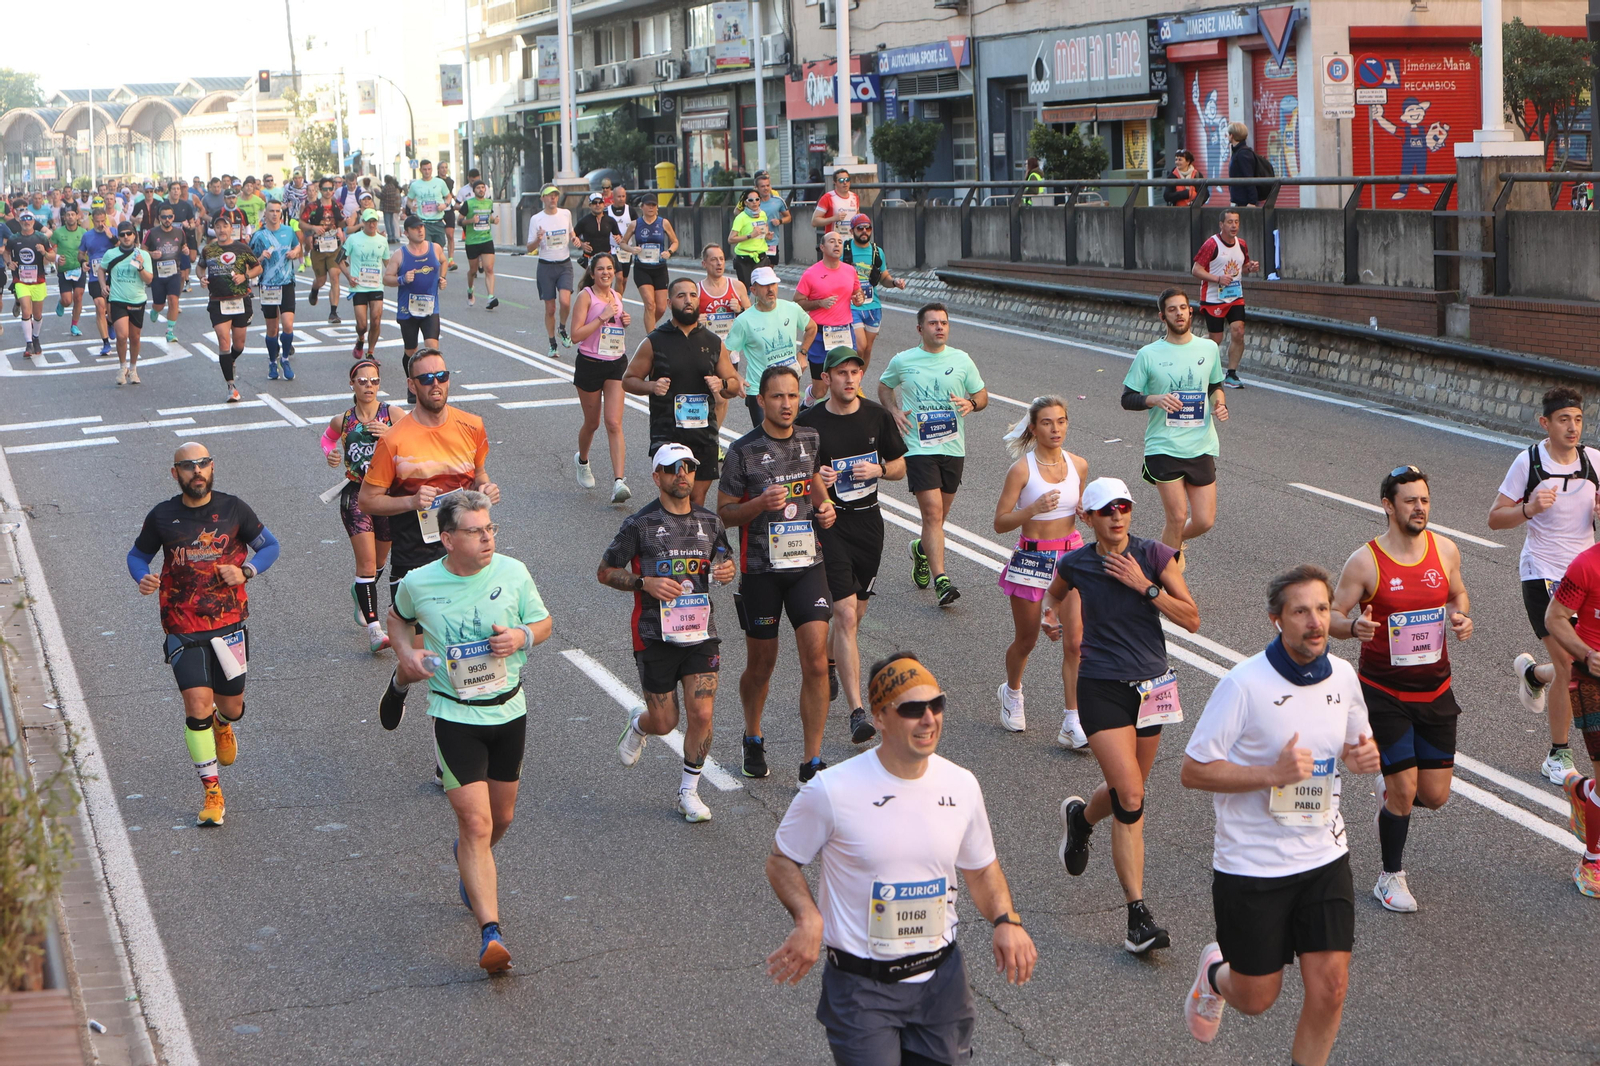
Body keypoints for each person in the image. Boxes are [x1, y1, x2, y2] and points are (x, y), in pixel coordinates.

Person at [765, 651, 1037, 1065]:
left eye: (936, 705)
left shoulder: (961, 785)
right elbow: (782, 860)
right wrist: (808, 916)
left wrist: (1006, 920)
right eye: (913, 709)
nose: (929, 719)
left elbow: (981, 869)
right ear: (880, 717)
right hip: (861, 988)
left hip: (941, 983)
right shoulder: (832, 791)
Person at [1180, 566, 1380, 1062]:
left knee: (1332, 987)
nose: (1315, 622)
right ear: (1276, 620)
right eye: (1300, 612)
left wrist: (1361, 756)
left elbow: (1357, 742)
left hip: (1324, 853)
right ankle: (1214, 974)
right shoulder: (1244, 685)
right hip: (1253, 864)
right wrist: (1271, 773)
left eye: (1321, 609)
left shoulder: (1345, 676)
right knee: (1256, 997)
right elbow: (1193, 770)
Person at [385, 490, 552, 971]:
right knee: (476, 824)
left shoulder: (514, 573)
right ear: (448, 538)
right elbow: (398, 621)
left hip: (508, 709)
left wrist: (522, 636)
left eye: (491, 529)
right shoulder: (418, 582)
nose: (487, 539)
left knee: (501, 819)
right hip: (453, 713)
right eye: (476, 531)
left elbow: (544, 624)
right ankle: (491, 935)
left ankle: (469, 859)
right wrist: (406, 655)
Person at [1047, 476, 1199, 955]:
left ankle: (1081, 819)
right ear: (1087, 518)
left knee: (1126, 791)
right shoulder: (1075, 562)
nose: (1117, 515)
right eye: (1106, 509)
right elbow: (1055, 593)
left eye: (1124, 507)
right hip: (1101, 687)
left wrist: (1145, 587)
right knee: (1131, 795)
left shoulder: (1156, 556)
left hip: (1153, 686)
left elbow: (1192, 618)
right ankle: (1137, 917)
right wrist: (1053, 618)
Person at [1328, 464, 1470, 913]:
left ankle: (1392, 795)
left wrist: (1461, 617)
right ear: (1388, 506)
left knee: (1435, 796)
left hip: (1435, 690)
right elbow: (1332, 613)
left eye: (1424, 499)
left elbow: (1457, 595)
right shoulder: (1366, 560)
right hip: (1383, 692)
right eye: (1410, 500)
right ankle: (1390, 877)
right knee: (1405, 792)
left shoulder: (1445, 550)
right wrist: (1353, 627)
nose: (1420, 508)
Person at [127, 444, 282, 827]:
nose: (197, 471)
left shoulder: (234, 509)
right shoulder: (162, 516)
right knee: (196, 705)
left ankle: (224, 723)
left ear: (212, 468)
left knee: (231, 706)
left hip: (228, 623)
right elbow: (136, 555)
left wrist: (247, 571)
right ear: (175, 473)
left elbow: (270, 547)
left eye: (203, 464)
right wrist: (141, 576)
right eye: (188, 466)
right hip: (182, 626)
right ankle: (212, 791)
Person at [362, 348, 500, 730]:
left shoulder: (472, 425)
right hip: (415, 559)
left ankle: (449, 758)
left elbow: (479, 475)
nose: (435, 384)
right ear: (411, 385)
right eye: (425, 379)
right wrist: (409, 499)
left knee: (459, 652)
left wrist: (485, 488)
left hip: (465, 555)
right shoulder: (394, 440)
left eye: (441, 376)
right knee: (422, 659)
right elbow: (367, 500)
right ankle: (400, 682)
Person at [601, 443, 738, 823]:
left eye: (689, 467)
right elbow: (605, 571)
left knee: (702, 712)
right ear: (656, 477)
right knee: (665, 723)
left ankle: (688, 792)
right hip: (654, 635)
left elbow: (723, 561)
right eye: (672, 468)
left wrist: (726, 570)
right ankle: (639, 723)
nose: (682, 474)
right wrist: (644, 583)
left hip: (700, 634)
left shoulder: (710, 522)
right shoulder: (638, 525)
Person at [718, 365, 838, 784]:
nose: (787, 404)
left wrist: (825, 507)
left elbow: (811, 482)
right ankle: (752, 734)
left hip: (808, 565)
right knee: (761, 665)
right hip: (761, 571)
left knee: (817, 663)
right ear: (762, 400)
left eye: (792, 396)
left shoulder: (810, 438)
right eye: (777, 397)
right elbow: (725, 513)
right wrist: (758, 505)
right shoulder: (742, 451)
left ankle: (812, 761)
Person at [797, 347, 907, 743]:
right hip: (828, 523)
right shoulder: (809, 423)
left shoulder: (877, 416)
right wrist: (818, 481)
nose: (848, 379)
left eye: (855, 372)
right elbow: (800, 472)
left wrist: (880, 468)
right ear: (826, 378)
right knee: (843, 615)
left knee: (856, 614)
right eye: (841, 372)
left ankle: (829, 660)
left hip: (868, 524)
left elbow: (900, 464)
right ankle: (857, 712)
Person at [1492, 387, 1600, 785]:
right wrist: (1528, 508)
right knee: (1572, 663)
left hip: (1586, 577)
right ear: (1545, 424)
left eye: (1578, 419)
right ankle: (1558, 755)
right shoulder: (1529, 463)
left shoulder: (1594, 461)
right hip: (1542, 573)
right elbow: (1494, 518)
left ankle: (1534, 676)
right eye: (1563, 420)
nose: (1572, 427)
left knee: (1583, 664)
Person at [876, 304, 988, 607]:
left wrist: (971, 404)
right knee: (933, 514)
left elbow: (981, 394)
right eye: (933, 323)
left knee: (939, 517)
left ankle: (921, 550)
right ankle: (942, 581)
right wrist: (895, 411)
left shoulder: (961, 360)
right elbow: (884, 387)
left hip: (952, 447)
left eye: (944, 323)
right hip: (919, 447)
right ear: (920, 329)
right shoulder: (904, 360)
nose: (940, 327)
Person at [993, 396, 1089, 746]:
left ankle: (1072, 722)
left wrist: (1085, 513)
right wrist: (1031, 509)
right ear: (1033, 428)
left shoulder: (1078, 465)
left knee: (1075, 643)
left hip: (1072, 559)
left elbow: (1080, 509)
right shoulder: (1022, 469)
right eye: (1047, 422)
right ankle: (1012, 691)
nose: (1056, 429)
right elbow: (1000, 523)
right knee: (1028, 639)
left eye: (1061, 421)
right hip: (1033, 561)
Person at [1123, 287, 1229, 560]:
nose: (1179, 313)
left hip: (1201, 444)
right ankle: (1168, 576)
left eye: (1183, 308)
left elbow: (1215, 384)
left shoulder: (1208, 348)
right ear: (1162, 316)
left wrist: (1219, 403)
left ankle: (1162, 551)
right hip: (1164, 446)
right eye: (1172, 309)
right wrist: (1155, 399)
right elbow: (1127, 398)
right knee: (1178, 516)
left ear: (1190, 311)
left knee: (1204, 520)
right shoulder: (1148, 354)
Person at [622, 278, 741, 508]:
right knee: (675, 495)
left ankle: (693, 542)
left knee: (697, 499)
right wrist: (651, 386)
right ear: (669, 303)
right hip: (668, 432)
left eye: (693, 295)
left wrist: (723, 385)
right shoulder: (655, 341)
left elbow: (735, 385)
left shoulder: (713, 342)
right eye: (681, 296)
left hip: (703, 434)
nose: (688, 300)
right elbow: (628, 380)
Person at [322, 359, 398, 653]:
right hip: (356, 494)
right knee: (366, 564)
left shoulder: (392, 414)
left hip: (389, 495)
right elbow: (327, 441)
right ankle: (375, 630)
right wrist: (330, 455)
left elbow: (417, 440)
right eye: (363, 381)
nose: (369, 386)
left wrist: (390, 435)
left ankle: (360, 591)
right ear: (352, 385)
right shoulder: (342, 420)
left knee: (380, 562)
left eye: (374, 381)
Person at [1540, 539, 1600, 896]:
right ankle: (1591, 861)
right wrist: (1586, 654)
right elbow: (1554, 617)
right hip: (1594, 679)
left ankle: (1581, 790)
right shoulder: (1586, 565)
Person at [569, 253, 634, 504]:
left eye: (609, 268)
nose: (606, 272)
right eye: (600, 269)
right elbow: (576, 335)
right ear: (592, 272)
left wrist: (623, 321)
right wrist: (601, 317)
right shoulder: (586, 296)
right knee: (593, 423)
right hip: (589, 364)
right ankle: (582, 460)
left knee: (614, 423)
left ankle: (619, 482)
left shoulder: (616, 296)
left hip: (616, 363)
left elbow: (614, 328)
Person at [727, 265, 816, 428]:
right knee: (766, 442)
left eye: (773, 284)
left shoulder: (791, 309)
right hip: (760, 391)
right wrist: (735, 376)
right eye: (764, 286)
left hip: (789, 386)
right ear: (753, 290)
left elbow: (812, 327)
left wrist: (802, 353)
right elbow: (723, 354)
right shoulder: (744, 321)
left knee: (790, 435)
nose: (770, 290)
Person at [795, 231, 866, 405]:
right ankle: (808, 402)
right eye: (832, 241)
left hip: (844, 332)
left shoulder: (850, 271)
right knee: (820, 390)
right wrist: (819, 303)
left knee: (846, 380)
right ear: (822, 247)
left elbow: (858, 293)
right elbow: (797, 301)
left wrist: (859, 298)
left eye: (840, 242)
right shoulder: (811, 273)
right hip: (820, 334)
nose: (837, 245)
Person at [1191, 208, 1258, 389]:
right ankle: (1192, 349)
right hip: (1213, 297)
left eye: (1236, 222)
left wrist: (1250, 267)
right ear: (1221, 225)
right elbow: (1196, 270)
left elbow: (1241, 267)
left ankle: (1231, 374)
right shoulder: (1211, 245)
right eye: (1230, 222)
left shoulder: (1242, 244)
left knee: (1239, 331)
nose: (1234, 225)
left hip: (1235, 297)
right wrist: (1218, 279)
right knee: (1216, 339)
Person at [198, 216, 261, 403]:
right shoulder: (209, 249)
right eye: (217, 227)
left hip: (240, 300)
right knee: (223, 341)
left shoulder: (242, 248)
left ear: (230, 229)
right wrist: (202, 278)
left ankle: (231, 359)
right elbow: (200, 268)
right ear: (214, 230)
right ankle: (231, 387)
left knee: (239, 345)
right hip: (218, 301)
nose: (221, 230)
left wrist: (245, 276)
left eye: (224, 227)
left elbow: (258, 268)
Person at [842, 213, 906, 369]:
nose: (864, 231)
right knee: (860, 347)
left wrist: (894, 282)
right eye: (860, 228)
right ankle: (852, 377)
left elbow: (884, 277)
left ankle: (858, 383)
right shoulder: (845, 249)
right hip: (852, 306)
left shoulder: (877, 252)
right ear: (852, 231)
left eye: (868, 228)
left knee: (868, 349)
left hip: (873, 306)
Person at [698, 243, 750, 429]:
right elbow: (684, 321)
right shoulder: (697, 290)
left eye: (721, 259)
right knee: (712, 398)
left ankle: (713, 438)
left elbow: (752, 317)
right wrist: (696, 320)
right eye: (713, 260)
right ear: (704, 264)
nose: (719, 263)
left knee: (723, 397)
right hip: (705, 351)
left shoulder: (736, 286)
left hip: (729, 351)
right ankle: (710, 437)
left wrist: (741, 309)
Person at [250, 200, 303, 381]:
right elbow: (249, 262)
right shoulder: (259, 236)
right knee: (272, 329)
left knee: (288, 325)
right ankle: (273, 362)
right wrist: (260, 257)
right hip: (268, 285)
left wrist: (295, 253)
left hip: (287, 283)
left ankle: (285, 359)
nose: (274, 214)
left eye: (277, 211)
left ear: (281, 213)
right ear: (265, 213)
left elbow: (298, 246)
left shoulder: (288, 231)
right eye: (271, 211)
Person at [387, 215, 446, 374]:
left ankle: (431, 382)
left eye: (422, 227)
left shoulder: (435, 248)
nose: (420, 230)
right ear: (406, 233)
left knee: (432, 348)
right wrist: (402, 279)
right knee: (411, 352)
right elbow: (386, 279)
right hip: (408, 310)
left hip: (430, 308)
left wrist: (442, 278)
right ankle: (411, 382)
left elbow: (443, 261)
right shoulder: (400, 254)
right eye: (415, 228)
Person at [99, 221, 154, 385]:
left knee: (135, 337)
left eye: (128, 234)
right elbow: (101, 269)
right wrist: (103, 285)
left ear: (134, 235)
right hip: (117, 299)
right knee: (122, 336)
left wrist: (140, 268)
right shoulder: (111, 253)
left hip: (137, 299)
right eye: (122, 234)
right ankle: (122, 367)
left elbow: (149, 279)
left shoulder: (143, 255)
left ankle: (133, 369)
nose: (125, 237)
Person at [526, 184, 576, 357]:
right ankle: (552, 343)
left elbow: (571, 233)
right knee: (550, 309)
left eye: (555, 195)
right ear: (542, 199)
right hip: (546, 266)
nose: (553, 198)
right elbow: (529, 247)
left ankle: (562, 328)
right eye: (549, 195)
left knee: (565, 302)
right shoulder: (536, 219)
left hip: (564, 265)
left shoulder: (566, 214)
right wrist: (538, 239)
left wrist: (576, 239)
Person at [622, 194, 679, 331]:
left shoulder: (663, 223)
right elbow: (623, 243)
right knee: (650, 304)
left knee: (661, 307)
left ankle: (651, 326)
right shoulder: (635, 224)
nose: (651, 208)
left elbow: (675, 241)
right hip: (642, 268)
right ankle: (650, 339)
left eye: (654, 205)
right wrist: (631, 249)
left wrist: (669, 252)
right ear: (642, 207)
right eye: (648, 205)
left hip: (659, 268)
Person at [339, 209, 391, 361]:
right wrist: (349, 276)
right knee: (362, 325)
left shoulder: (382, 240)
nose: (372, 224)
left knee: (376, 319)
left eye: (374, 221)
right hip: (359, 286)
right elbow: (339, 259)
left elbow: (388, 263)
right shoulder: (353, 239)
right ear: (363, 222)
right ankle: (361, 338)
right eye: (369, 221)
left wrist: (398, 276)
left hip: (376, 286)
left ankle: (371, 353)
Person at [4, 212, 54, 356]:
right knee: (27, 311)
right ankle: (28, 344)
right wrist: (9, 263)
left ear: (33, 221)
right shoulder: (14, 239)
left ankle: (36, 338)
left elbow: (52, 256)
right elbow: (6, 253)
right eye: (24, 219)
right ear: (19, 221)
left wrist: (44, 252)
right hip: (20, 280)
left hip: (38, 281)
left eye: (29, 219)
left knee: (37, 314)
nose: (27, 222)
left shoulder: (41, 237)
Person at [301, 180, 345, 323]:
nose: (327, 191)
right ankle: (314, 290)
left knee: (334, 276)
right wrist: (313, 228)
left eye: (330, 189)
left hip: (334, 246)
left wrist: (341, 228)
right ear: (320, 190)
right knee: (321, 280)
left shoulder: (337, 206)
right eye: (325, 189)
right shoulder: (312, 206)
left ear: (333, 190)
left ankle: (333, 312)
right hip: (319, 247)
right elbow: (301, 223)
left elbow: (341, 222)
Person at [143, 204, 187, 344]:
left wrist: (185, 250)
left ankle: (170, 331)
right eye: (164, 217)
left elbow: (183, 246)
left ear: (173, 217)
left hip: (174, 272)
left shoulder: (179, 232)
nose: (167, 219)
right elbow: (141, 251)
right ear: (159, 218)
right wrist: (151, 254)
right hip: (158, 274)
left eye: (170, 216)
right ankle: (155, 310)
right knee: (159, 304)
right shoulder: (152, 233)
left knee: (174, 300)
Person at [80, 207, 117, 358]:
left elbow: (124, 247)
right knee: (99, 305)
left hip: (112, 274)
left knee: (112, 308)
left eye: (103, 221)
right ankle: (105, 342)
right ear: (92, 221)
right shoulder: (87, 236)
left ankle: (111, 322)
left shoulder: (113, 231)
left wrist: (111, 237)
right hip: (95, 275)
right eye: (97, 222)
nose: (100, 224)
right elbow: (81, 253)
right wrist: (82, 262)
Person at [460, 178, 499, 309]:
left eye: (483, 187)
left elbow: (489, 217)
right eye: (478, 188)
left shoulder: (489, 203)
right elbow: (459, 221)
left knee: (489, 268)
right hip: (472, 241)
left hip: (486, 239)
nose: (481, 190)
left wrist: (494, 220)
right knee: (473, 270)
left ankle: (490, 297)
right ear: (474, 190)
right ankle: (470, 290)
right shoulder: (468, 204)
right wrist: (471, 220)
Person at [51, 206, 87, 337]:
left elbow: (88, 249)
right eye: (68, 215)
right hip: (64, 270)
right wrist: (55, 261)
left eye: (73, 214)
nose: (70, 217)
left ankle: (74, 325)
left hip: (79, 268)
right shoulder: (58, 233)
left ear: (77, 216)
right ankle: (61, 303)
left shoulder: (83, 232)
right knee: (67, 300)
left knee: (78, 296)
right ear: (64, 217)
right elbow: (53, 251)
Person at [728, 189, 772, 288]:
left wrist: (767, 236)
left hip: (760, 257)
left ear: (760, 201)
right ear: (745, 203)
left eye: (757, 199)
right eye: (751, 200)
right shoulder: (741, 218)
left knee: (762, 288)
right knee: (746, 290)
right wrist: (750, 235)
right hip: (744, 257)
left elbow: (763, 232)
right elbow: (731, 239)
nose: (754, 202)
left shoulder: (763, 214)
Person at [573, 191, 620, 275]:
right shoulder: (584, 221)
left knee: (606, 281)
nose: (598, 205)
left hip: (606, 256)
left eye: (600, 202)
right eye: (594, 203)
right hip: (590, 257)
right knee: (591, 283)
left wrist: (619, 238)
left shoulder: (610, 220)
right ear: (590, 205)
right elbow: (573, 236)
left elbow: (618, 235)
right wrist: (581, 244)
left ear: (604, 204)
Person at [811, 169, 859, 244]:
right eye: (841, 180)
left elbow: (858, 217)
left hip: (852, 242)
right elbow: (814, 222)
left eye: (847, 179)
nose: (845, 182)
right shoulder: (828, 197)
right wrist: (833, 218)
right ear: (835, 182)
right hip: (834, 243)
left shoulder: (854, 197)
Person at [605, 185, 635, 299]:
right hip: (613, 249)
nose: (621, 199)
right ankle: (614, 301)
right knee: (618, 276)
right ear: (613, 197)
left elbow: (637, 227)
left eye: (623, 196)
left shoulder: (630, 211)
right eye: (619, 196)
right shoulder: (607, 211)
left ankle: (618, 300)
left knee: (624, 279)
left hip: (627, 249)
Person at [754, 171, 790, 266]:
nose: (766, 188)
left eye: (767, 185)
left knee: (769, 270)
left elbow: (788, 217)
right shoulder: (752, 202)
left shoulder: (778, 201)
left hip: (772, 242)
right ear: (756, 188)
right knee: (757, 270)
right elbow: (738, 213)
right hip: (755, 241)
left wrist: (780, 221)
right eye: (762, 186)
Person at [1226, 122, 1264, 208]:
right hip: (1240, 200)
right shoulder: (1238, 152)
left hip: (1245, 202)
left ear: (1232, 136)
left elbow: (1249, 177)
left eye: (1228, 134)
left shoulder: (1243, 154)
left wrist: (1252, 202)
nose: (1227, 136)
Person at [380, 175, 404, 243]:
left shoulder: (386, 187)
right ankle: (394, 236)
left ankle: (390, 237)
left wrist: (376, 192)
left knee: (387, 222)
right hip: (393, 207)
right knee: (392, 222)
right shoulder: (394, 187)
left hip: (386, 207)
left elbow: (382, 196)